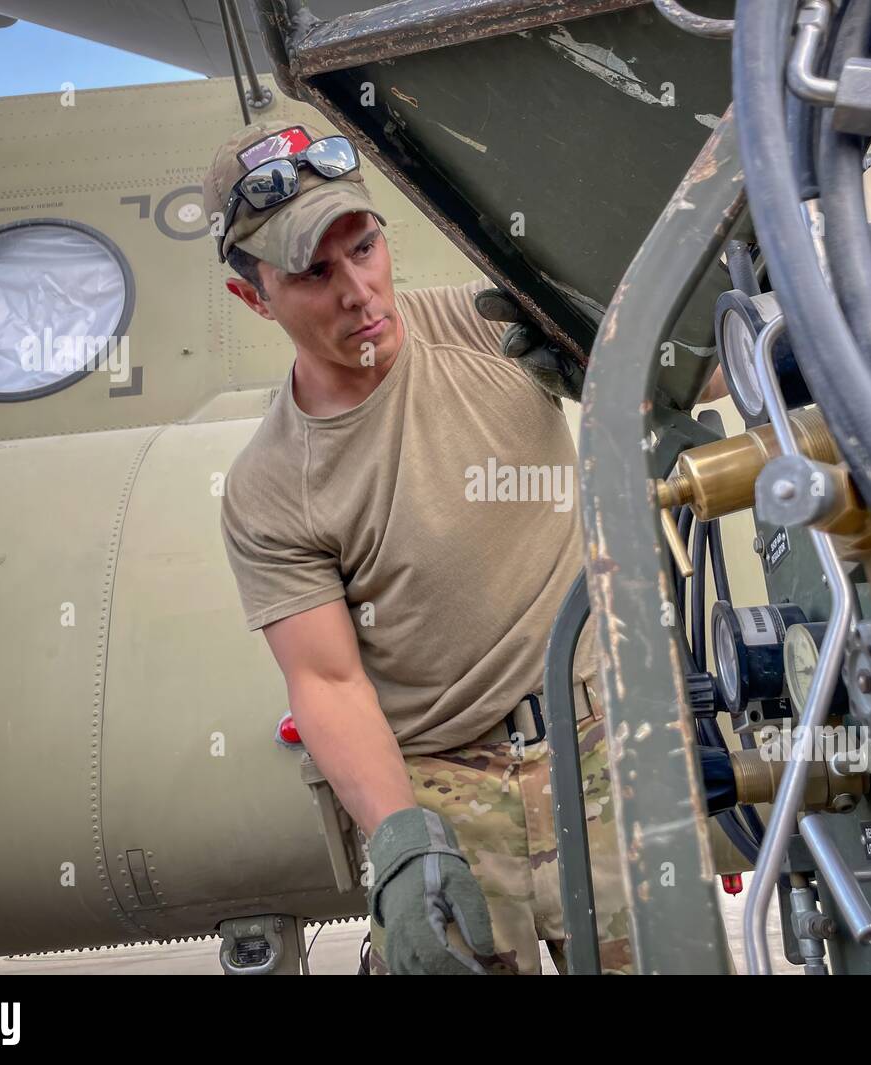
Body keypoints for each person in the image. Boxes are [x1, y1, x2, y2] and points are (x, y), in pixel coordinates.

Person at [203, 122, 644, 974]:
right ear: (253, 297)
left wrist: (601, 355)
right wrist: (405, 842)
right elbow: (328, 681)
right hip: (448, 792)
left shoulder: (493, 326)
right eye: (315, 273)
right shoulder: (267, 489)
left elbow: (693, 361)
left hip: (605, 738)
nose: (361, 291)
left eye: (365, 246)